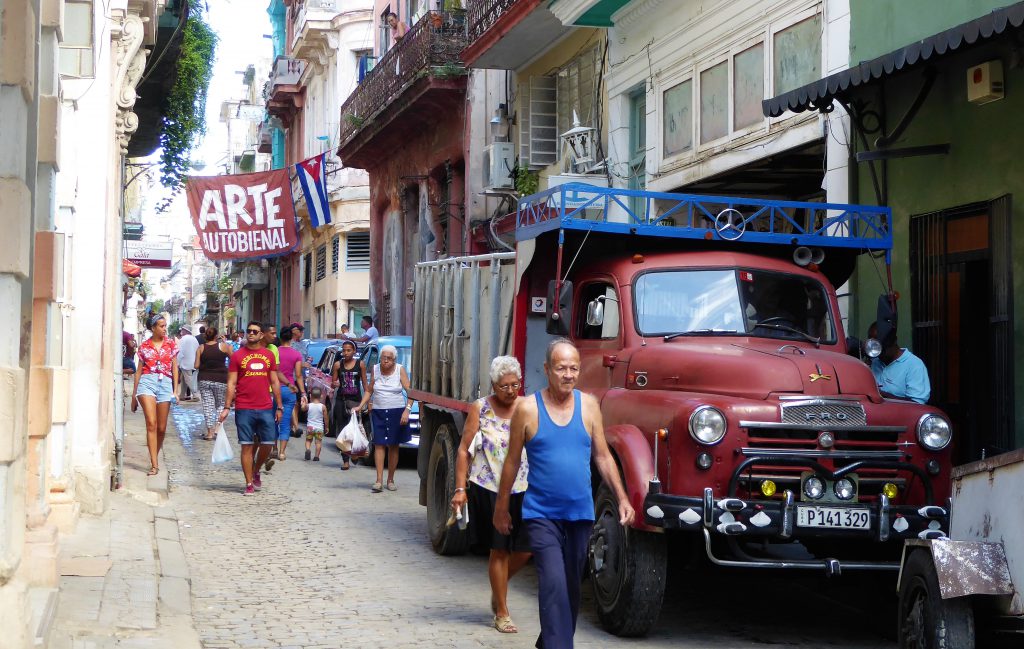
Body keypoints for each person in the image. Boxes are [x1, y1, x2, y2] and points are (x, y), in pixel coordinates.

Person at [494, 339, 634, 649]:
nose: (568, 375)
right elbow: (513, 460)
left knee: (570, 588)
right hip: (541, 514)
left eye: (573, 368)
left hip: (580, 514)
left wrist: (622, 498)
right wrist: (501, 506)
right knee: (553, 583)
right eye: (561, 368)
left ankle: (549, 642)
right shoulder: (528, 409)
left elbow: (602, 456)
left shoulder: (589, 406)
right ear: (546, 370)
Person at [451, 356, 531, 634]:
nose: (511, 391)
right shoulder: (481, 408)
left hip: (523, 487)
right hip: (490, 488)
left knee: (526, 548)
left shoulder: (527, 407)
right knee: (499, 549)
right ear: (494, 385)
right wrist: (460, 489)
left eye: (515, 384)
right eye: (504, 386)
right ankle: (502, 612)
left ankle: (499, 589)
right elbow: (464, 450)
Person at [218, 321, 283, 496]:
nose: (251, 334)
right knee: (246, 446)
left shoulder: (268, 355)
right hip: (244, 406)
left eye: (255, 331)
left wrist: (280, 406)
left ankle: (256, 470)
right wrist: (226, 406)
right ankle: (248, 482)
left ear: (261, 335)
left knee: (268, 444)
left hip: (265, 406)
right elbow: (231, 382)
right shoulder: (238, 356)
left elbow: (275, 381)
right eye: (249, 331)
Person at [353, 344, 412, 492]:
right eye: (383, 358)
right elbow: (369, 390)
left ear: (394, 360)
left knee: (393, 445)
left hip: (396, 411)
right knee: (379, 444)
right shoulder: (375, 369)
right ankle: (378, 480)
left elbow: (410, 392)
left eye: (388, 358)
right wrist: (360, 406)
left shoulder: (400, 370)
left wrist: (407, 410)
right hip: (378, 411)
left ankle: (390, 479)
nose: (385, 361)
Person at [131, 314, 179, 476]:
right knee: (151, 423)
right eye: (161, 326)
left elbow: (174, 368)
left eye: (165, 326)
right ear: (153, 328)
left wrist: (175, 391)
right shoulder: (144, 347)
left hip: (165, 383)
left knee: (162, 427)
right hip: (147, 382)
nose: (165, 329)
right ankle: (154, 464)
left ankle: (154, 455)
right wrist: (133, 396)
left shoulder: (171, 345)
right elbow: (139, 371)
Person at [867, 322, 931, 404]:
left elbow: (917, 404)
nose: (878, 352)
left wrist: (883, 396)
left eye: (881, 346)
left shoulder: (914, 365)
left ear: (894, 341)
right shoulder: (875, 362)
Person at [331, 339, 367, 470]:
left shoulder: (360, 364)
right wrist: (334, 384)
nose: (345, 353)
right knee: (343, 430)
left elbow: (364, 383)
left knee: (354, 429)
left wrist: (367, 401)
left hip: (355, 401)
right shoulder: (337, 365)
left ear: (354, 351)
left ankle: (354, 453)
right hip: (341, 400)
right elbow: (332, 382)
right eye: (344, 350)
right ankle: (345, 460)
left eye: (349, 350)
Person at [194, 326, 232, 441]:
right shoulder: (224, 346)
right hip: (221, 379)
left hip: (204, 379)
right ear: (216, 336)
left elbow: (196, 366)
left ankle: (210, 433)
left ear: (205, 336)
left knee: (208, 406)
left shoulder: (201, 348)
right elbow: (235, 360)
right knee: (221, 405)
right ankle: (218, 430)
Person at [275, 325, 306, 460]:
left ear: (280, 337)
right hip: (289, 390)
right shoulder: (296, 354)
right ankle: (282, 452)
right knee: (286, 421)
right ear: (291, 338)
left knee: (273, 421)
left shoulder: (274, 352)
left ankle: (273, 449)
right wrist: (303, 392)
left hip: (274, 389)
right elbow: (298, 375)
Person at [303, 388, 327, 461]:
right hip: (319, 428)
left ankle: (308, 449)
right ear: (321, 396)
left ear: (311, 396)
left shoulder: (309, 406)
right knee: (318, 442)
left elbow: (302, 409)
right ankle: (316, 456)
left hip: (310, 427)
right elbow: (326, 418)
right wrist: (327, 427)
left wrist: (304, 402)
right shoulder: (323, 407)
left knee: (308, 440)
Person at [177, 326, 200, 401]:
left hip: (185, 363)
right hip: (194, 362)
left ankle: (196, 395)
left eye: (182, 330)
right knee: (184, 379)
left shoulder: (183, 339)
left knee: (189, 380)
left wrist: (177, 363)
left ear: (186, 331)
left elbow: (180, 352)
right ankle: (182, 395)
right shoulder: (194, 339)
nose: (181, 332)